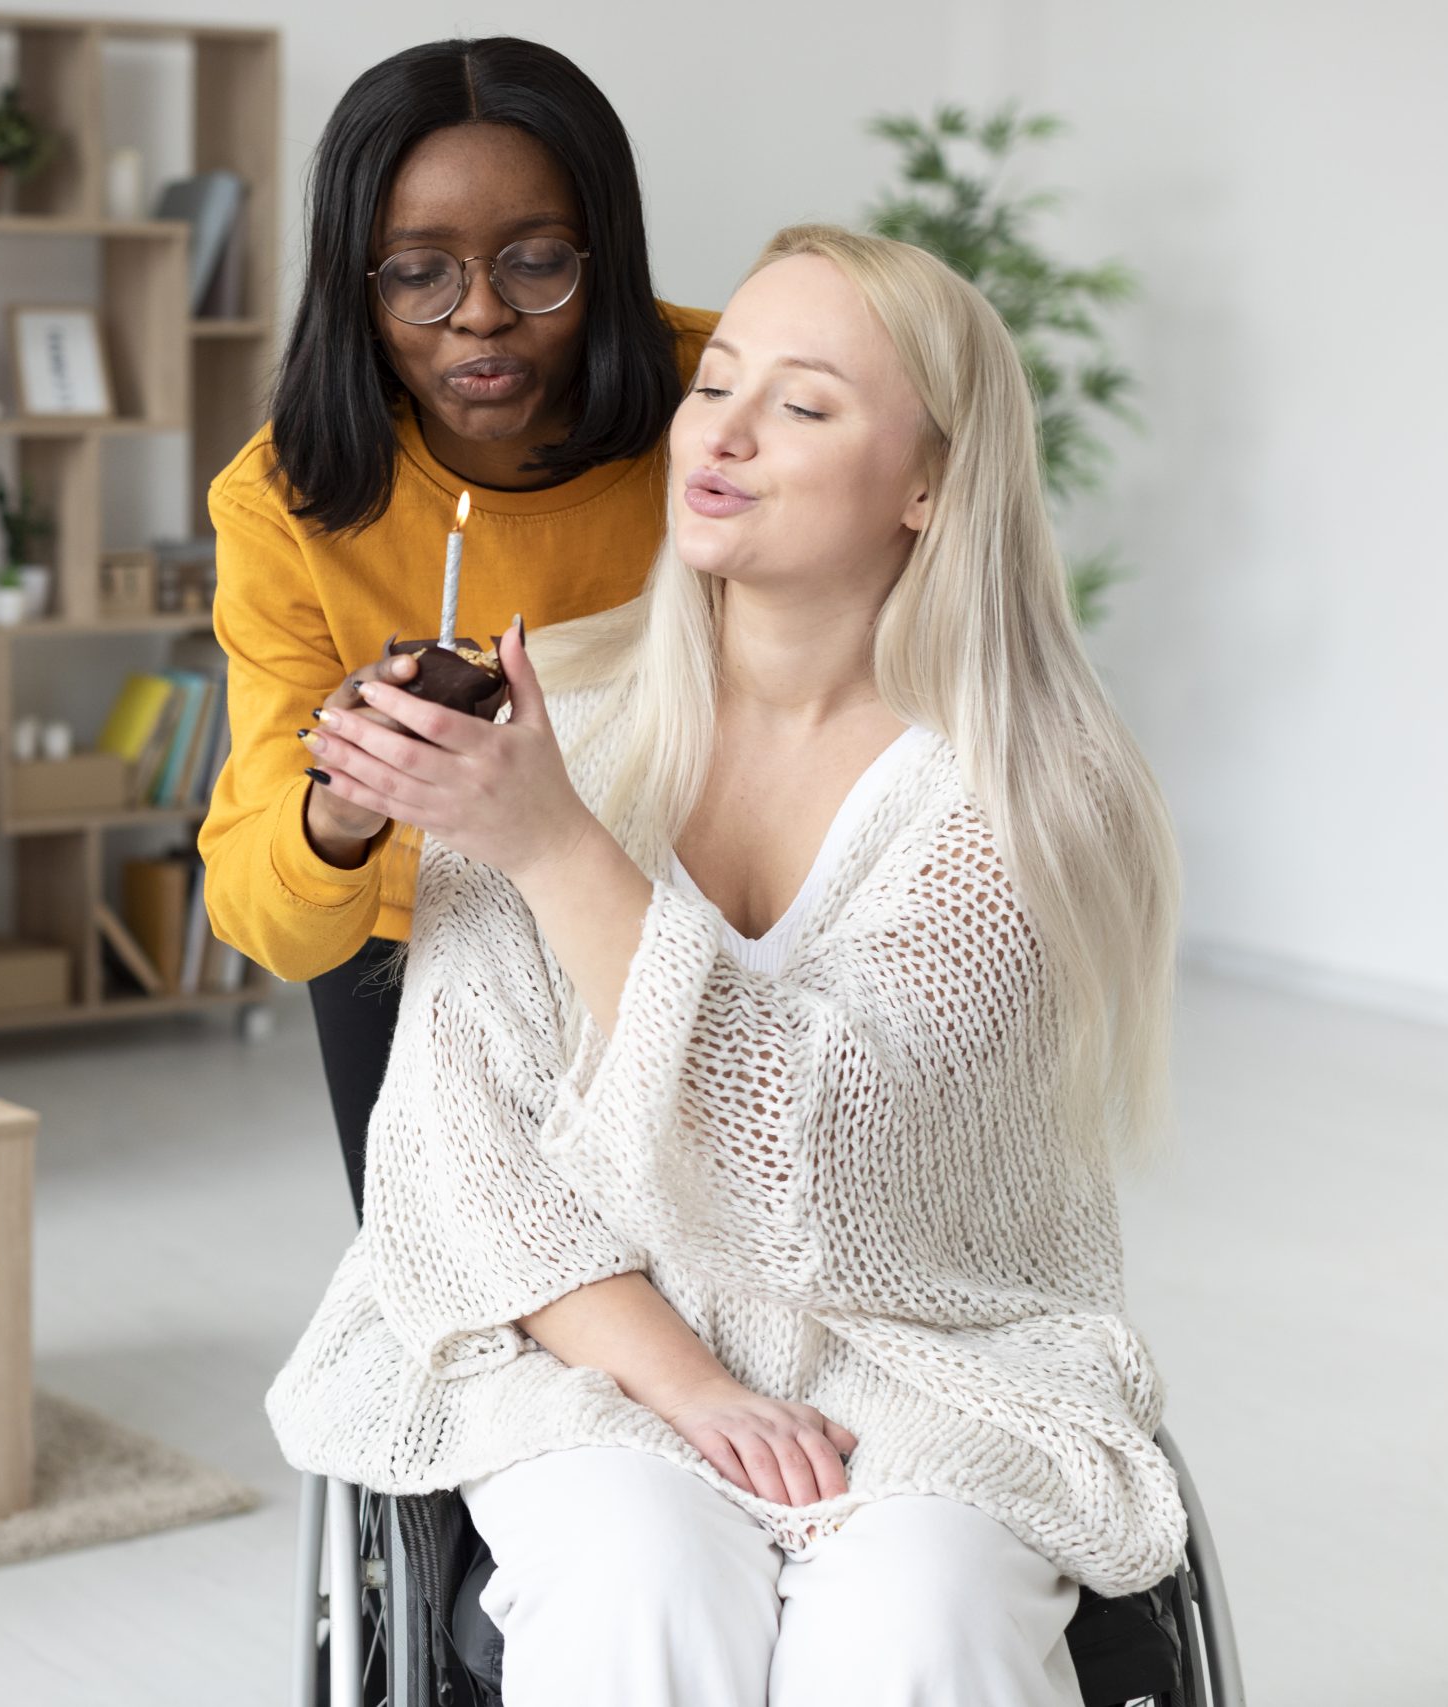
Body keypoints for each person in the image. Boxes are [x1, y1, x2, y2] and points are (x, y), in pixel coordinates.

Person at [265, 224, 1189, 1704]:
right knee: (639, 1576)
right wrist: (687, 1386)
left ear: (928, 483)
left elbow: (834, 1164)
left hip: (927, 1348)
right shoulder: (555, 710)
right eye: (721, 386)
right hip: (580, 1341)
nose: (727, 432)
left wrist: (561, 849)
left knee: (917, 1618)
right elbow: (463, 1159)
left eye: (804, 406)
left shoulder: (1030, 794)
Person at [196, 37, 716, 1221]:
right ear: (354, 283)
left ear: (606, 253)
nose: (480, 316)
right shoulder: (282, 500)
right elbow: (265, 915)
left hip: (687, 913)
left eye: (537, 262)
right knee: (450, 1313)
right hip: (412, 949)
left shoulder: (717, 399)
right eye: (417, 274)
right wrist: (341, 805)